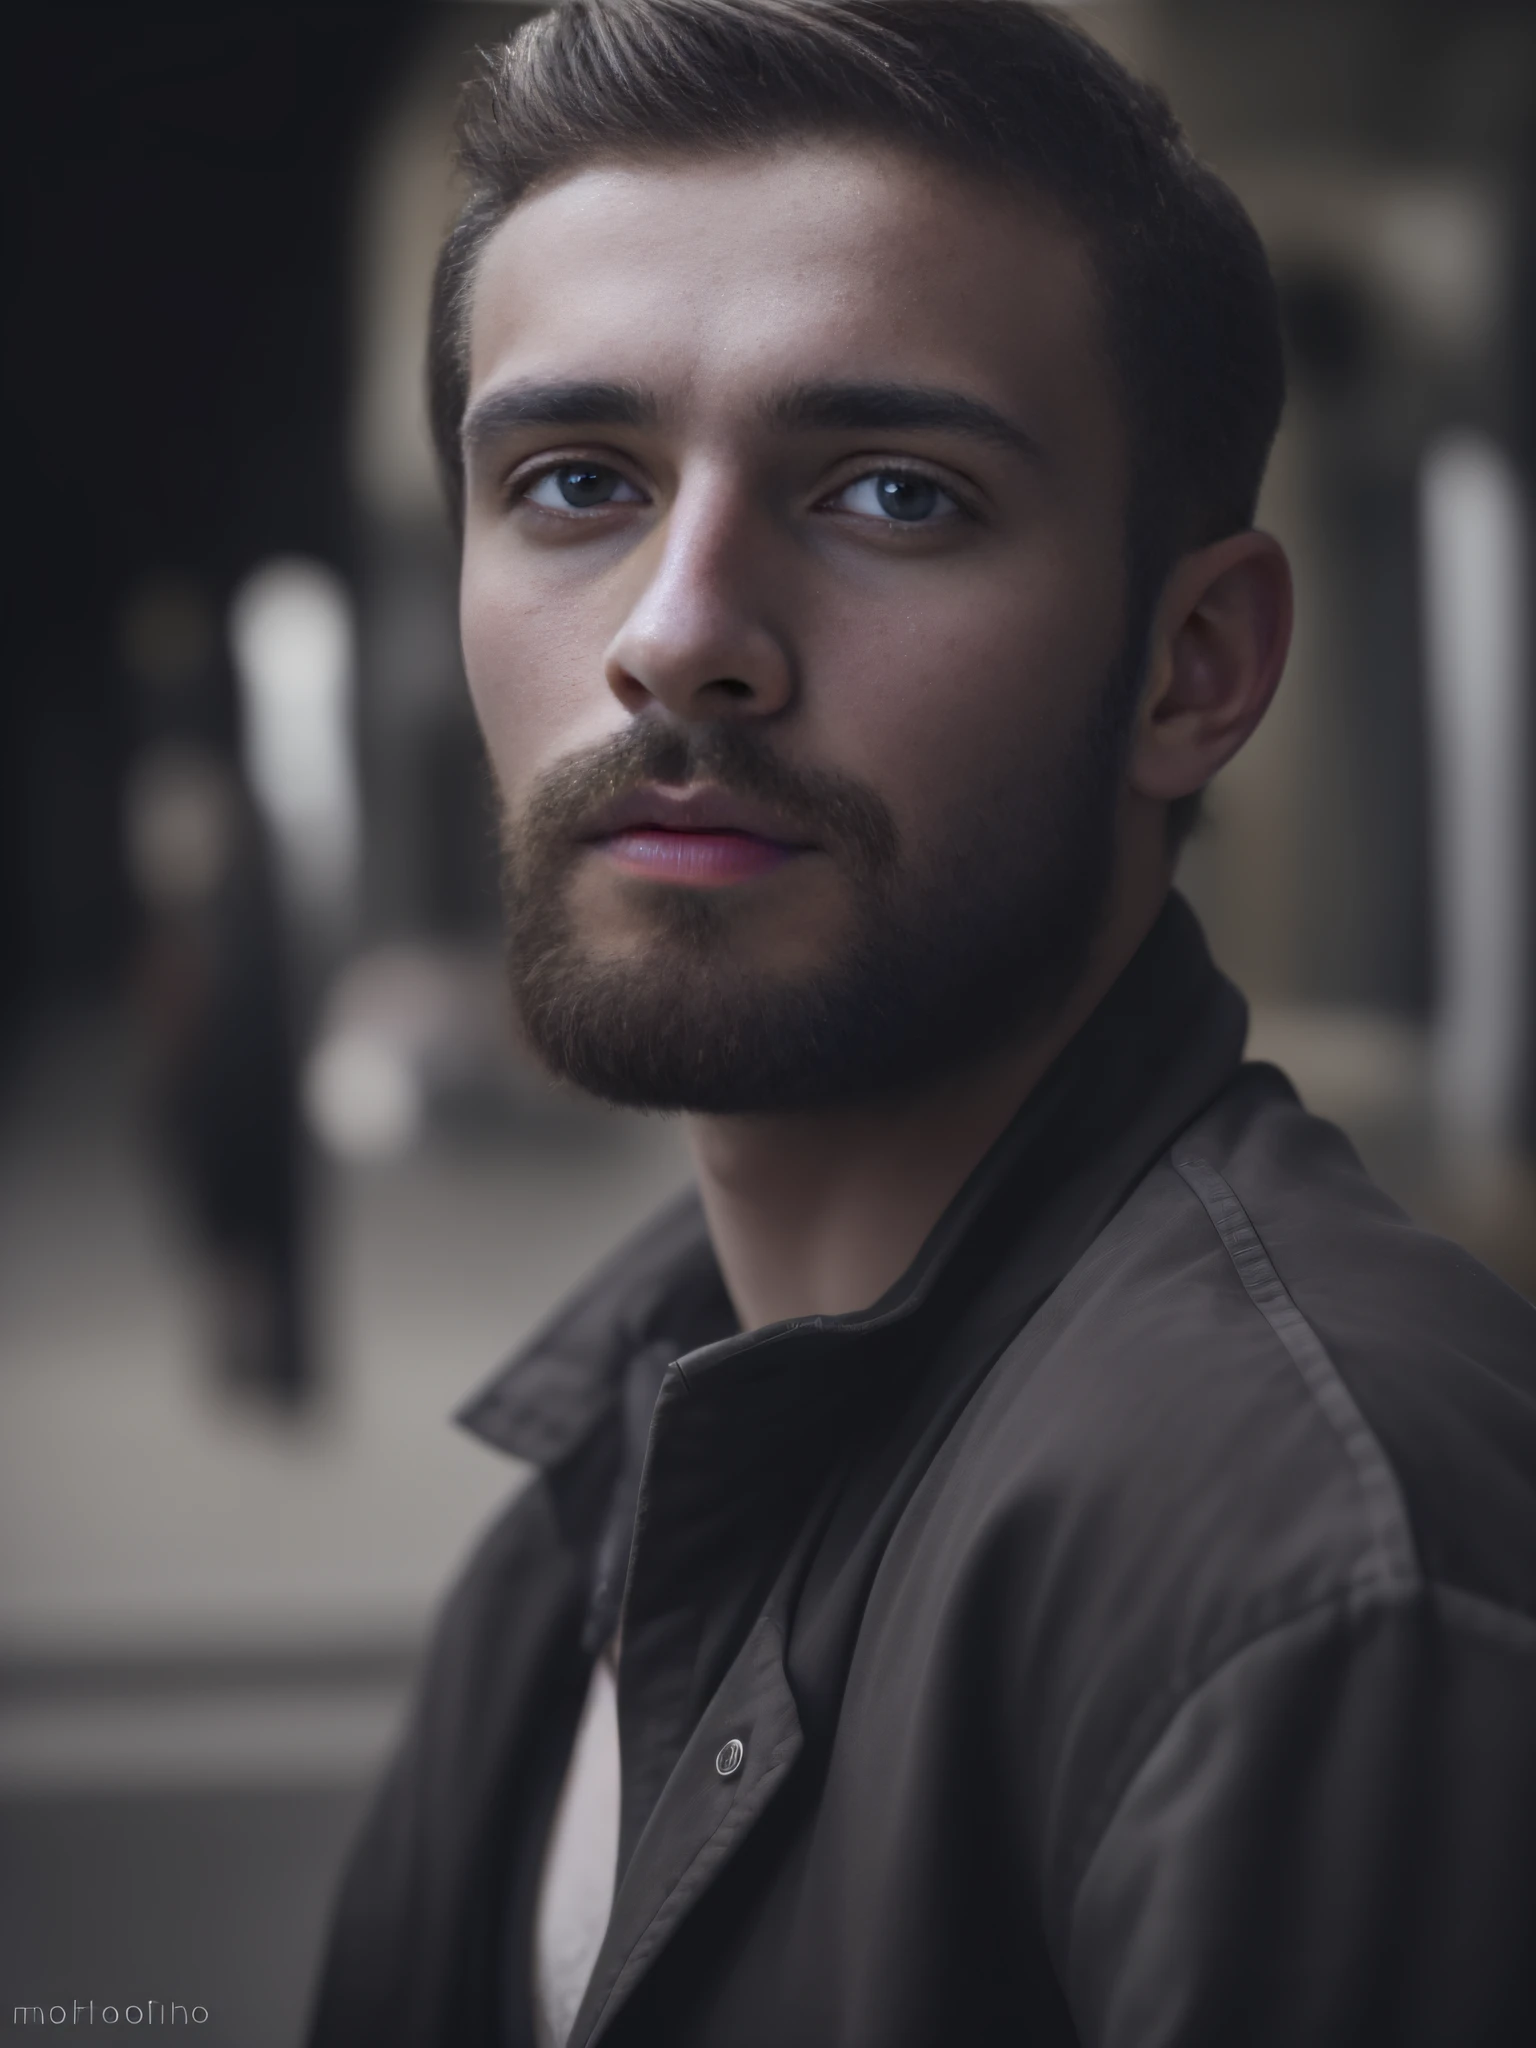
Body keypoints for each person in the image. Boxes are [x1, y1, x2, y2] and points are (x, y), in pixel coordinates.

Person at [308, 3, 1536, 2042]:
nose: (678, 635)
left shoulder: (1320, 1574)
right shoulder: (603, 1477)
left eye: (891, 493)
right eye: (577, 480)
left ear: (1196, 665)